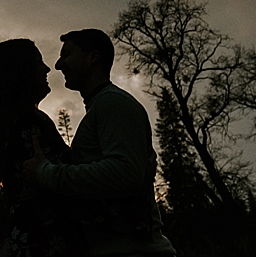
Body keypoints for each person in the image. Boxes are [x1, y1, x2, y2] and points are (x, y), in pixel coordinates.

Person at [23, 29, 176, 255]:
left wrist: (46, 173)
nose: (58, 65)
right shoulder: (102, 107)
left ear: (93, 57)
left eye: (67, 55)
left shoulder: (113, 103)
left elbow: (125, 173)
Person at [0, 39, 84, 256]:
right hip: (43, 245)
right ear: (21, 72)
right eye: (39, 63)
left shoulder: (11, 125)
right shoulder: (30, 123)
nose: (47, 68)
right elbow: (71, 185)